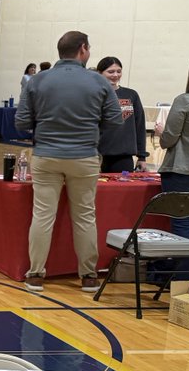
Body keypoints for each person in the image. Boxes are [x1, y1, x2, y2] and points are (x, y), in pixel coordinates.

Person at [15, 31, 122, 293]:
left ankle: (36, 275)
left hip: (46, 155)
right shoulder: (98, 82)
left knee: (42, 215)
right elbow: (115, 120)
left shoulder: (37, 80)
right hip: (84, 156)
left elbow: (21, 123)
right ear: (83, 49)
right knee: (85, 215)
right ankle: (88, 276)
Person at [154, 54, 189, 279]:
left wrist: (161, 133)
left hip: (181, 170)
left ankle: (185, 283)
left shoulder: (185, 100)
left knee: (182, 229)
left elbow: (169, 140)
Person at [95, 57, 146, 173]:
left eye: (119, 71)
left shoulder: (131, 95)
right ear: (100, 73)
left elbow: (139, 126)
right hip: (98, 156)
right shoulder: (94, 94)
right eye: (110, 71)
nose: (115, 75)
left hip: (124, 156)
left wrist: (142, 156)